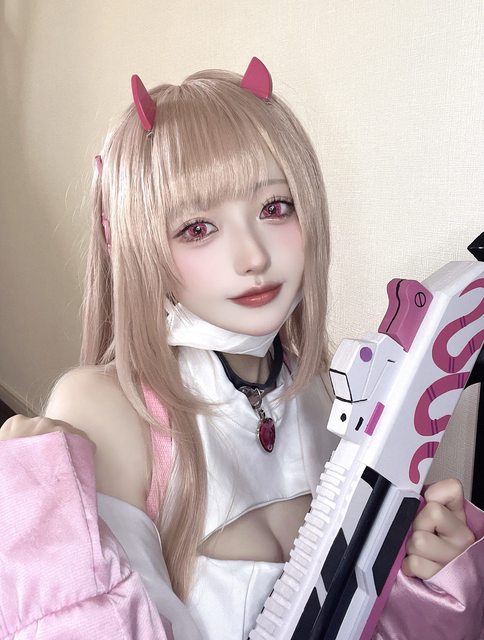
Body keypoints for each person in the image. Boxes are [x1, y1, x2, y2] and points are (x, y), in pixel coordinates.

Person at [0, 58, 482, 640]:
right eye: (197, 229)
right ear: (134, 243)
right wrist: (39, 526)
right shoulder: (108, 407)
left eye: (275, 208)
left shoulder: (319, 390)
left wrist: (425, 580)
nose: (253, 255)